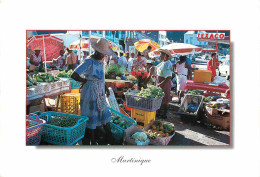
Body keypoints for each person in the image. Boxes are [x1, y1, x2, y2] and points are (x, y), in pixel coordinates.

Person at [71, 38, 114, 145]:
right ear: (97, 51)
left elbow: (100, 78)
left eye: (105, 54)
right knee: (91, 117)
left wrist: (105, 87)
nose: (104, 56)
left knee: (104, 114)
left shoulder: (99, 62)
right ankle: (90, 141)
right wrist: (85, 80)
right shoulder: (89, 61)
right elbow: (74, 74)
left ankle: (107, 138)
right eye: (103, 54)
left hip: (99, 93)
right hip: (90, 93)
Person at [150, 49, 173, 119]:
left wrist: (161, 83)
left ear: (166, 56)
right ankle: (159, 113)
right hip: (159, 81)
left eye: (161, 55)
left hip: (165, 82)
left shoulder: (168, 63)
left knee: (165, 99)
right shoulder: (163, 62)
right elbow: (156, 68)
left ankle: (164, 114)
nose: (160, 56)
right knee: (159, 98)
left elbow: (169, 76)